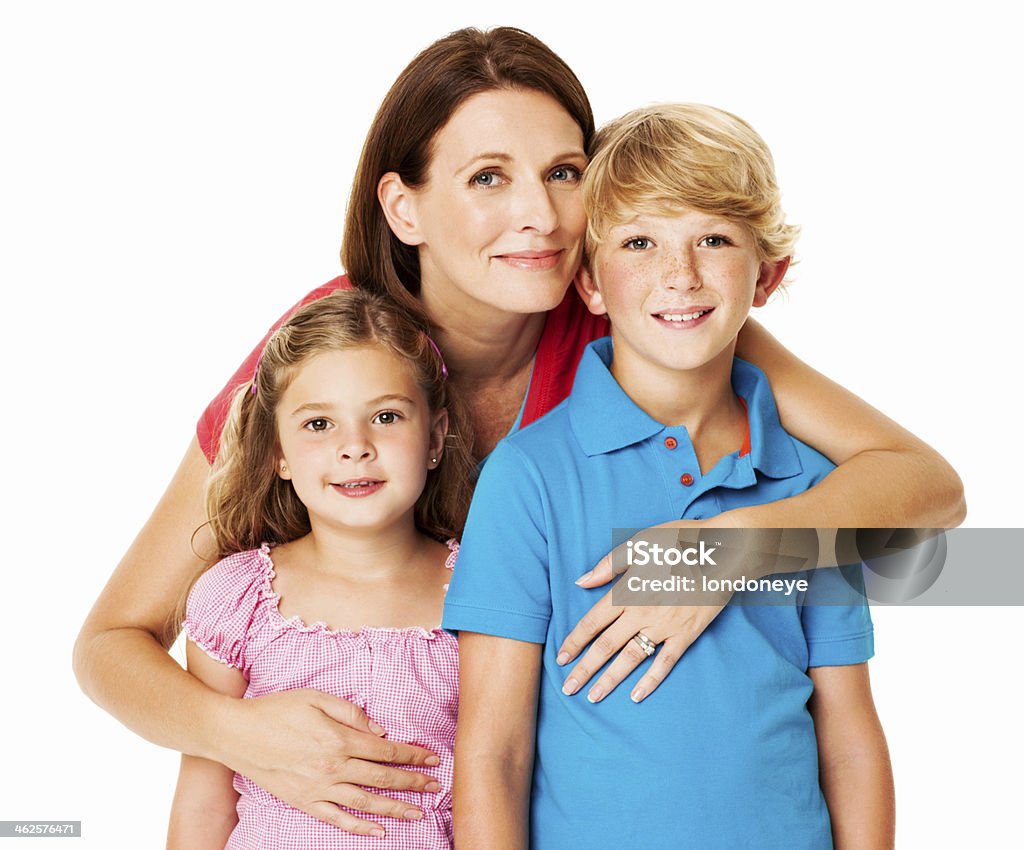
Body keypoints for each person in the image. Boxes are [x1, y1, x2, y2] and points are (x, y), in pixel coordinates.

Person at [74, 27, 957, 836]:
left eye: (565, 173)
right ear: (404, 207)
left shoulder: (651, 315)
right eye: (489, 177)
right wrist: (245, 737)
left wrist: (733, 549)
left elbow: (926, 486)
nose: (541, 215)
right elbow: (111, 643)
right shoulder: (329, 361)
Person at [445, 103, 895, 849]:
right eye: (639, 242)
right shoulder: (529, 478)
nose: (679, 275)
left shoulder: (816, 488)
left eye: (713, 239)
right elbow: (493, 753)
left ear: (766, 276)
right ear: (588, 283)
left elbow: (847, 733)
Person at [166, 288, 473, 849]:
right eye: (318, 425)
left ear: (434, 438)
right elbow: (203, 802)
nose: (355, 447)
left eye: (385, 416)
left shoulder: (481, 588)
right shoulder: (241, 598)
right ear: (278, 452)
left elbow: (501, 771)